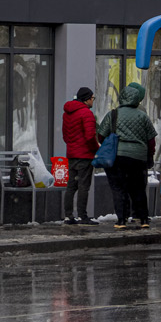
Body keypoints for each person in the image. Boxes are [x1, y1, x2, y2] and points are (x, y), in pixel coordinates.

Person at [97, 82, 157, 228]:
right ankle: (143, 220)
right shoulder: (143, 116)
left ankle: (122, 220)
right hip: (138, 157)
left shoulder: (113, 114)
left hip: (117, 156)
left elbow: (101, 136)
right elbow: (151, 140)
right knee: (138, 188)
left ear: (122, 98)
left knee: (118, 188)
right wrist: (149, 156)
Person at [61, 87, 98, 225]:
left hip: (72, 154)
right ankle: (82, 216)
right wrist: (96, 149)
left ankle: (68, 215)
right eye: (92, 98)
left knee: (71, 186)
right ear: (86, 99)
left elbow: (65, 135)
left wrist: (72, 146)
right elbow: (90, 136)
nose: (93, 101)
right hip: (85, 155)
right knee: (83, 186)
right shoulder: (86, 113)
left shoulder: (67, 113)